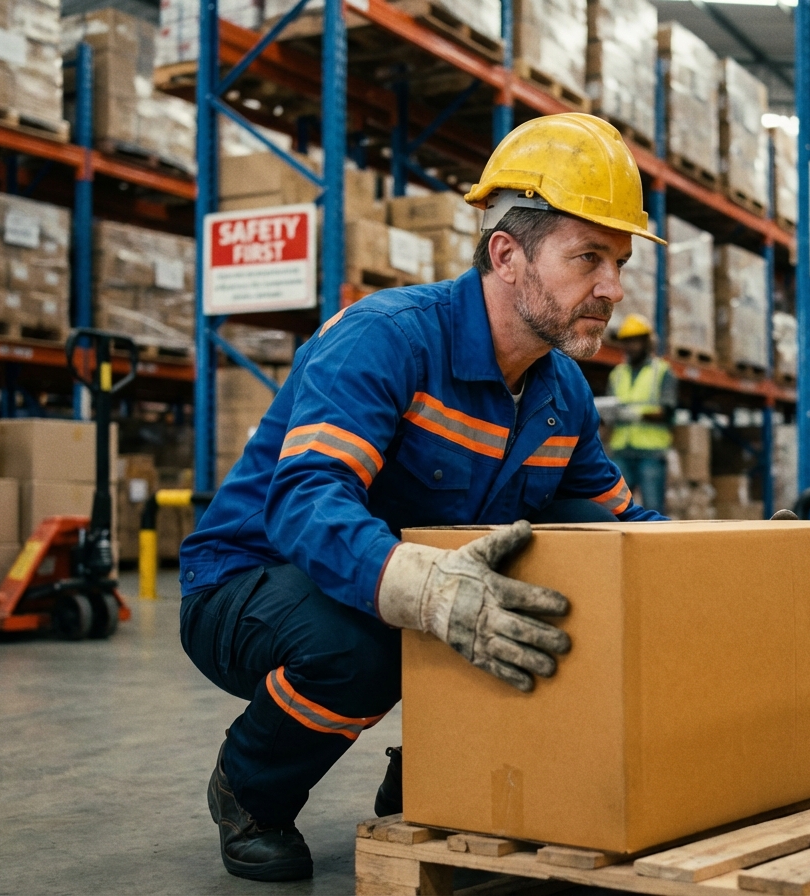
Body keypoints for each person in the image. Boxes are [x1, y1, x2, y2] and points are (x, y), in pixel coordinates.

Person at [177, 113, 670, 882]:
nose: (611, 287)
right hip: (247, 584)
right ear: (507, 255)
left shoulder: (560, 392)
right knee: (362, 647)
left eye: (618, 262)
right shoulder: (389, 339)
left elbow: (621, 528)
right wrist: (426, 588)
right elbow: (308, 498)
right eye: (588, 258)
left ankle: (435, 784)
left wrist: (726, 562)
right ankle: (250, 789)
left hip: (392, 592)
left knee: (561, 600)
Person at [605, 313, 676, 513]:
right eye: (626, 342)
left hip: (651, 454)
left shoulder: (662, 372)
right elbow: (610, 409)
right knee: (616, 509)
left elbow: (667, 410)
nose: (630, 346)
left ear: (647, 342)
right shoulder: (617, 374)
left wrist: (635, 415)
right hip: (621, 451)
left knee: (653, 508)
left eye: (635, 341)